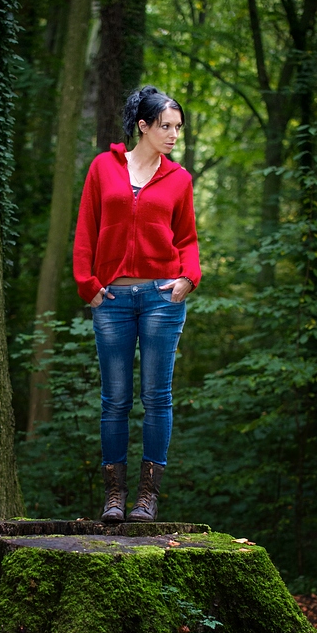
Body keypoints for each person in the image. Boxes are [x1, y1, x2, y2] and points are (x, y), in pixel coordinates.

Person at [73, 85, 201, 522]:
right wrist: (85, 283)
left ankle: (146, 498)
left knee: (157, 396)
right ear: (142, 126)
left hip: (162, 298)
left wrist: (188, 277)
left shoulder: (179, 179)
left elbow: (186, 238)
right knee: (115, 399)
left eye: (178, 128)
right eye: (165, 126)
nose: (173, 135)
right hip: (111, 299)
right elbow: (86, 229)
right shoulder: (102, 169)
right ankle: (114, 497)